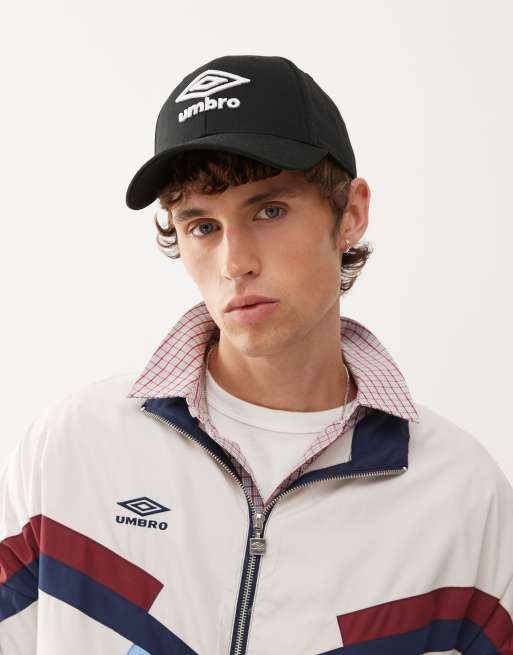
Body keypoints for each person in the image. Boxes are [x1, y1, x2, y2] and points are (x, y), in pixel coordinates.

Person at [1, 54, 512, 655]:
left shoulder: (459, 493)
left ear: (351, 213)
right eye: (201, 226)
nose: (234, 262)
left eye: (269, 211)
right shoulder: (74, 448)